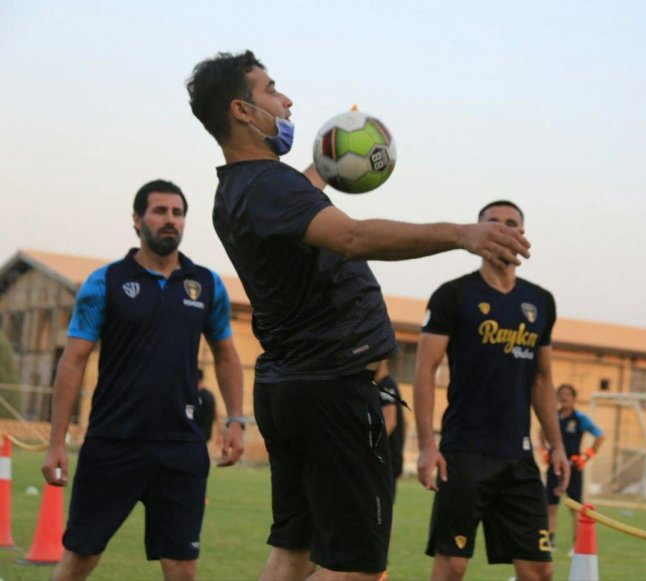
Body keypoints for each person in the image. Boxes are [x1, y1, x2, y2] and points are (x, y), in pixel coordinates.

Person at [186, 50, 530, 581]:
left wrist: (327, 162)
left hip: (290, 388)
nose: (287, 100)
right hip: (334, 391)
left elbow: (295, 202)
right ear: (242, 111)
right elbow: (350, 236)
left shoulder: (235, 191)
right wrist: (462, 234)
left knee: (293, 552)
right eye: (271, 90)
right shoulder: (270, 187)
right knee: (356, 569)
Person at [41, 180, 245, 581]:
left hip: (181, 448)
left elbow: (226, 354)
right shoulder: (105, 282)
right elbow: (73, 360)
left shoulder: (207, 285)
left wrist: (236, 418)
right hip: (113, 443)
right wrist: (55, 443)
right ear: (137, 220)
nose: (170, 220)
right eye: (160, 211)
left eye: (178, 213)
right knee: (78, 561)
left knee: (183, 570)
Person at [414, 200, 570, 581]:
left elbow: (542, 380)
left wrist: (557, 444)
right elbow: (424, 370)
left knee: (539, 570)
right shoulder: (453, 295)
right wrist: (426, 445)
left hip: (518, 458)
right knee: (452, 566)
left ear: (522, 235)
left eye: (511, 223)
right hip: (463, 452)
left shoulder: (540, 302)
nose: (502, 229)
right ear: (478, 233)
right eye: (492, 223)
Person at [540, 383, 604, 552]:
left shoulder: (580, 419)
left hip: (574, 469)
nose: (564, 397)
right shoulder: (553, 416)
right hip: (555, 468)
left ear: (574, 398)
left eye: (568, 394)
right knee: (550, 506)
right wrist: (543, 450)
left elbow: (600, 436)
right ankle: (549, 541)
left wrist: (587, 456)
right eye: (561, 394)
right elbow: (541, 431)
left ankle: (577, 544)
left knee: (575, 508)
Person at [375, 359, 406, 501]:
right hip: (388, 461)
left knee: (380, 511)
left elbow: (390, 421)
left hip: (386, 462)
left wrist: (369, 447)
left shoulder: (386, 386)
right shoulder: (380, 386)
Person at [196, 368, 225, 446]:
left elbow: (216, 414)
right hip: (203, 435)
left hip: (197, 435)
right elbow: (217, 414)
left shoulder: (198, 396)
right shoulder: (209, 395)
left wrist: (219, 434)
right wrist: (219, 433)